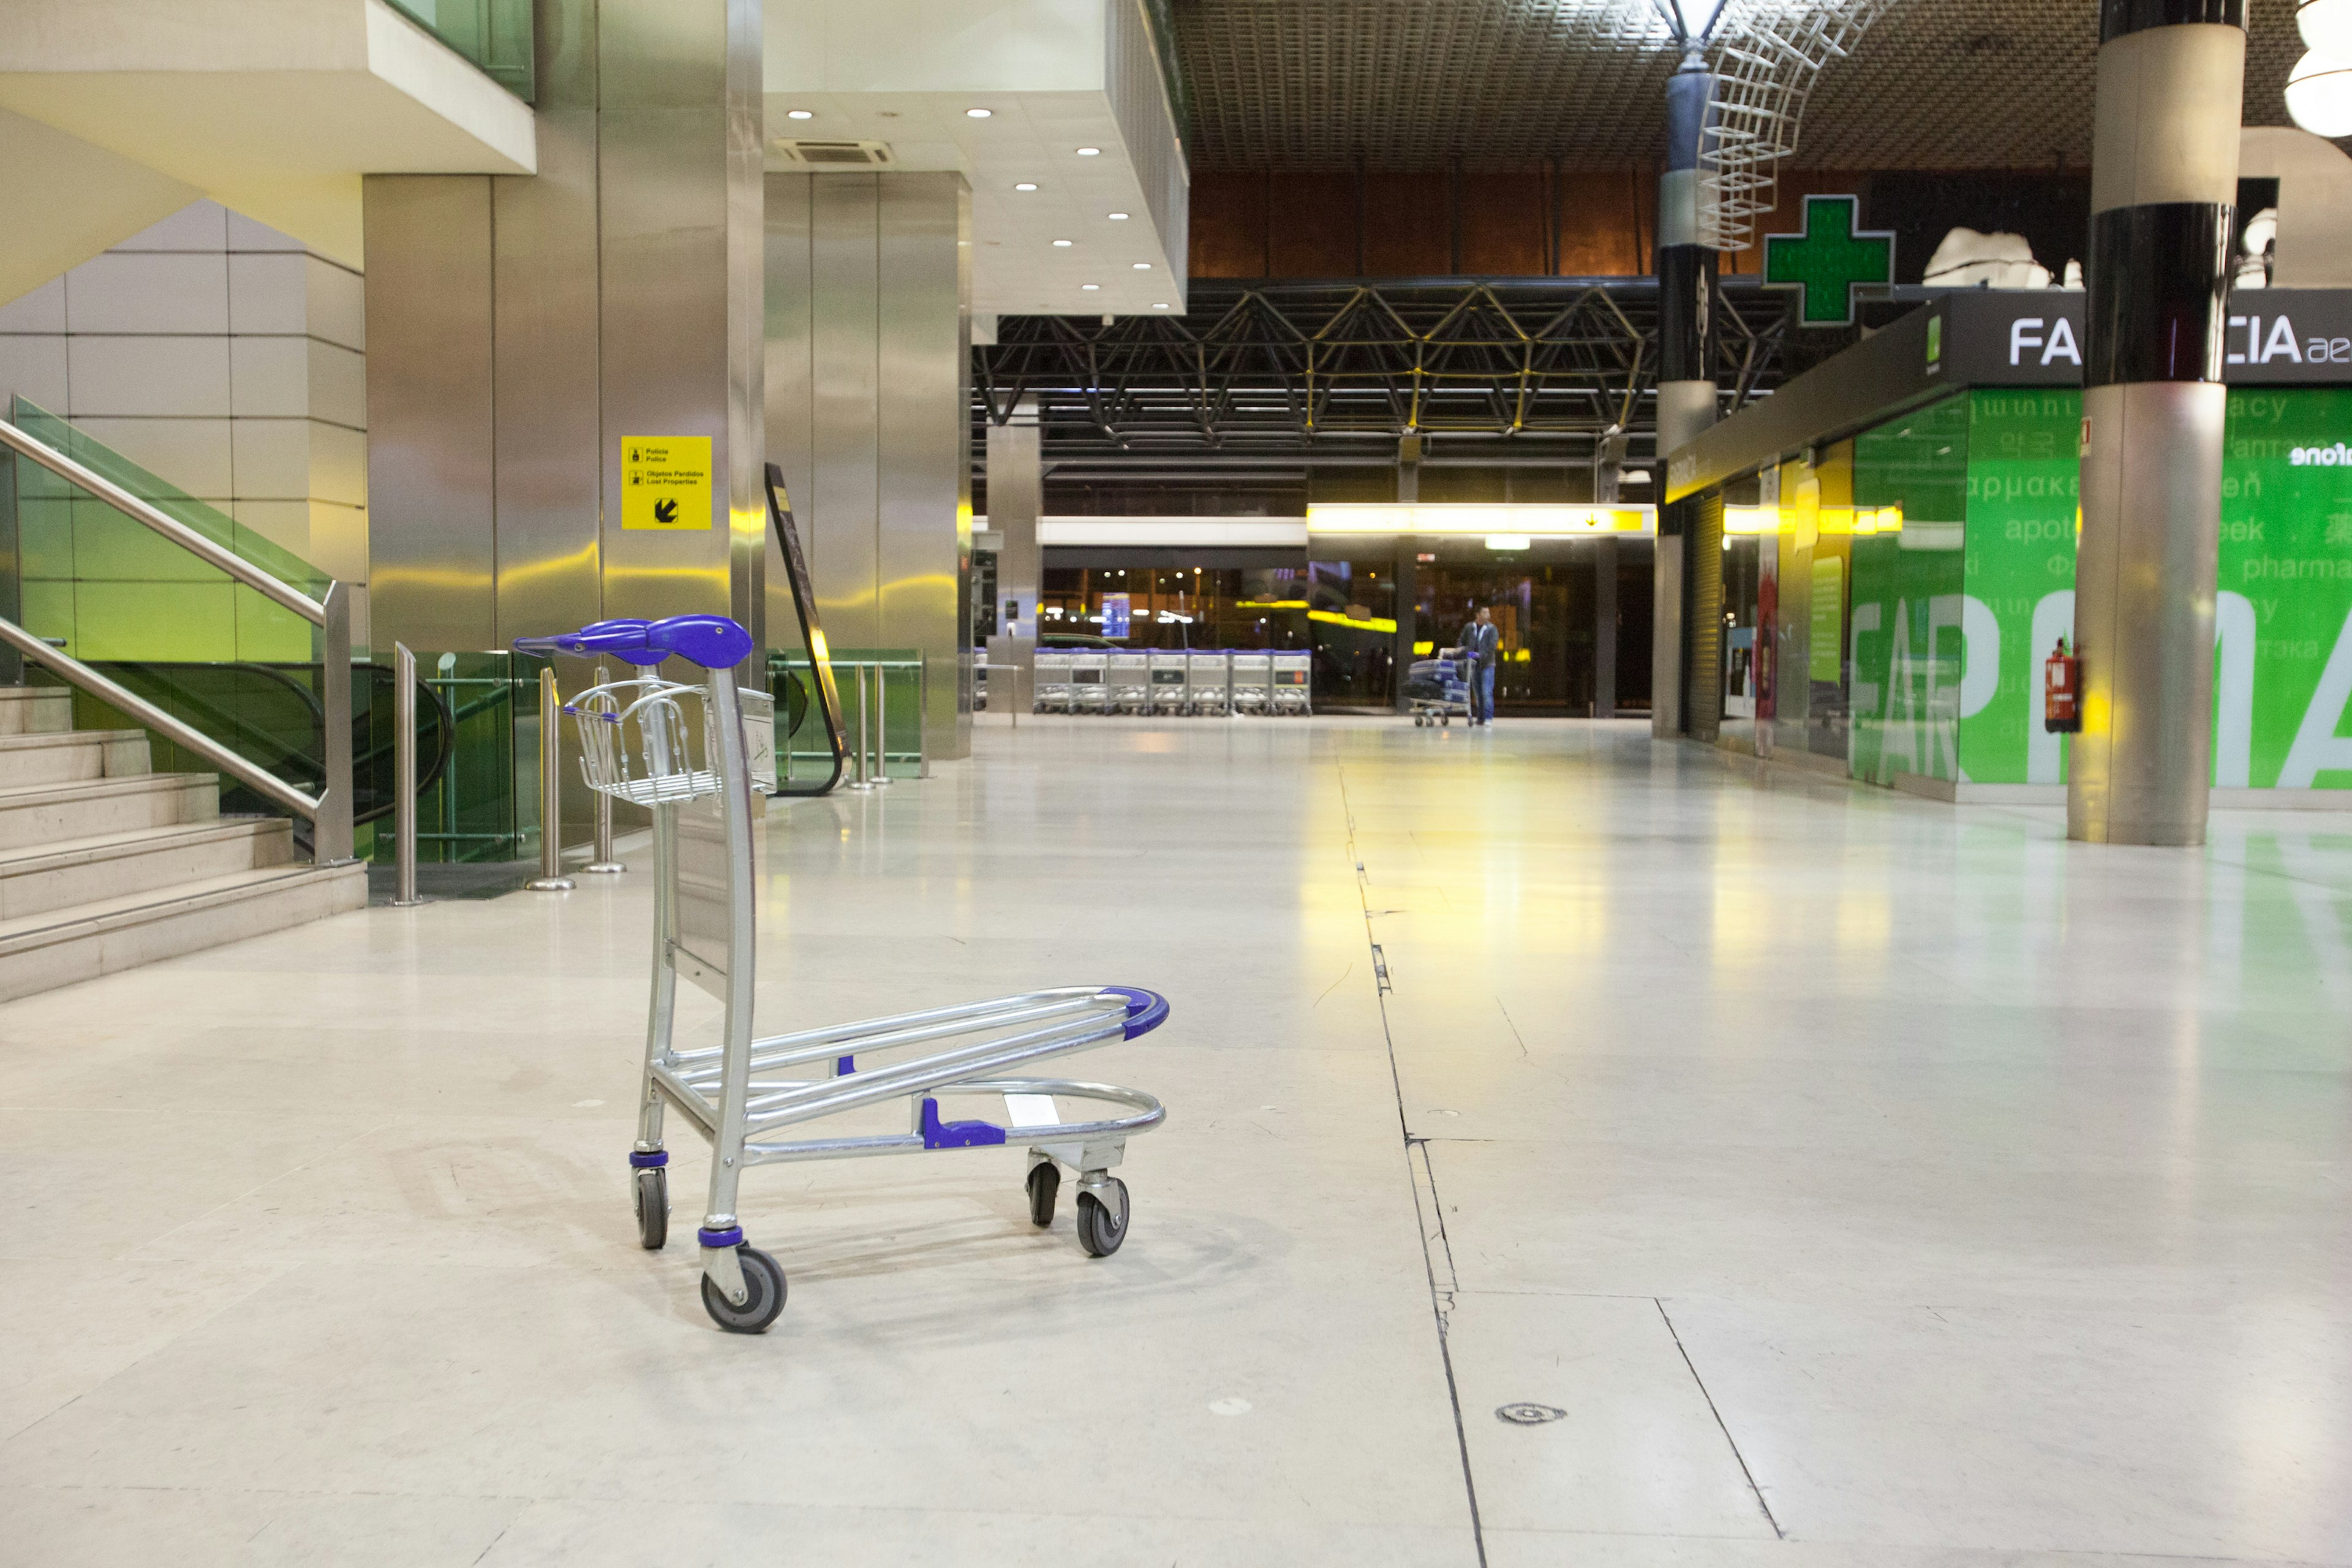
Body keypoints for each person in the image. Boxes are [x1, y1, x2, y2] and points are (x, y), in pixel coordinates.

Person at [1462, 606, 1499, 726]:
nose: (1488, 614)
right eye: (1485, 612)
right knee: (1478, 692)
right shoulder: (1469, 627)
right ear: (1478, 615)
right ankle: (1481, 717)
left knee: (1486, 691)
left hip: (1487, 665)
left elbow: (1492, 646)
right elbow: (1462, 641)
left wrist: (1480, 655)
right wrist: (1462, 652)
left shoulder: (1492, 629)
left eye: (1488, 612)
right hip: (1474, 665)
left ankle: (1488, 717)